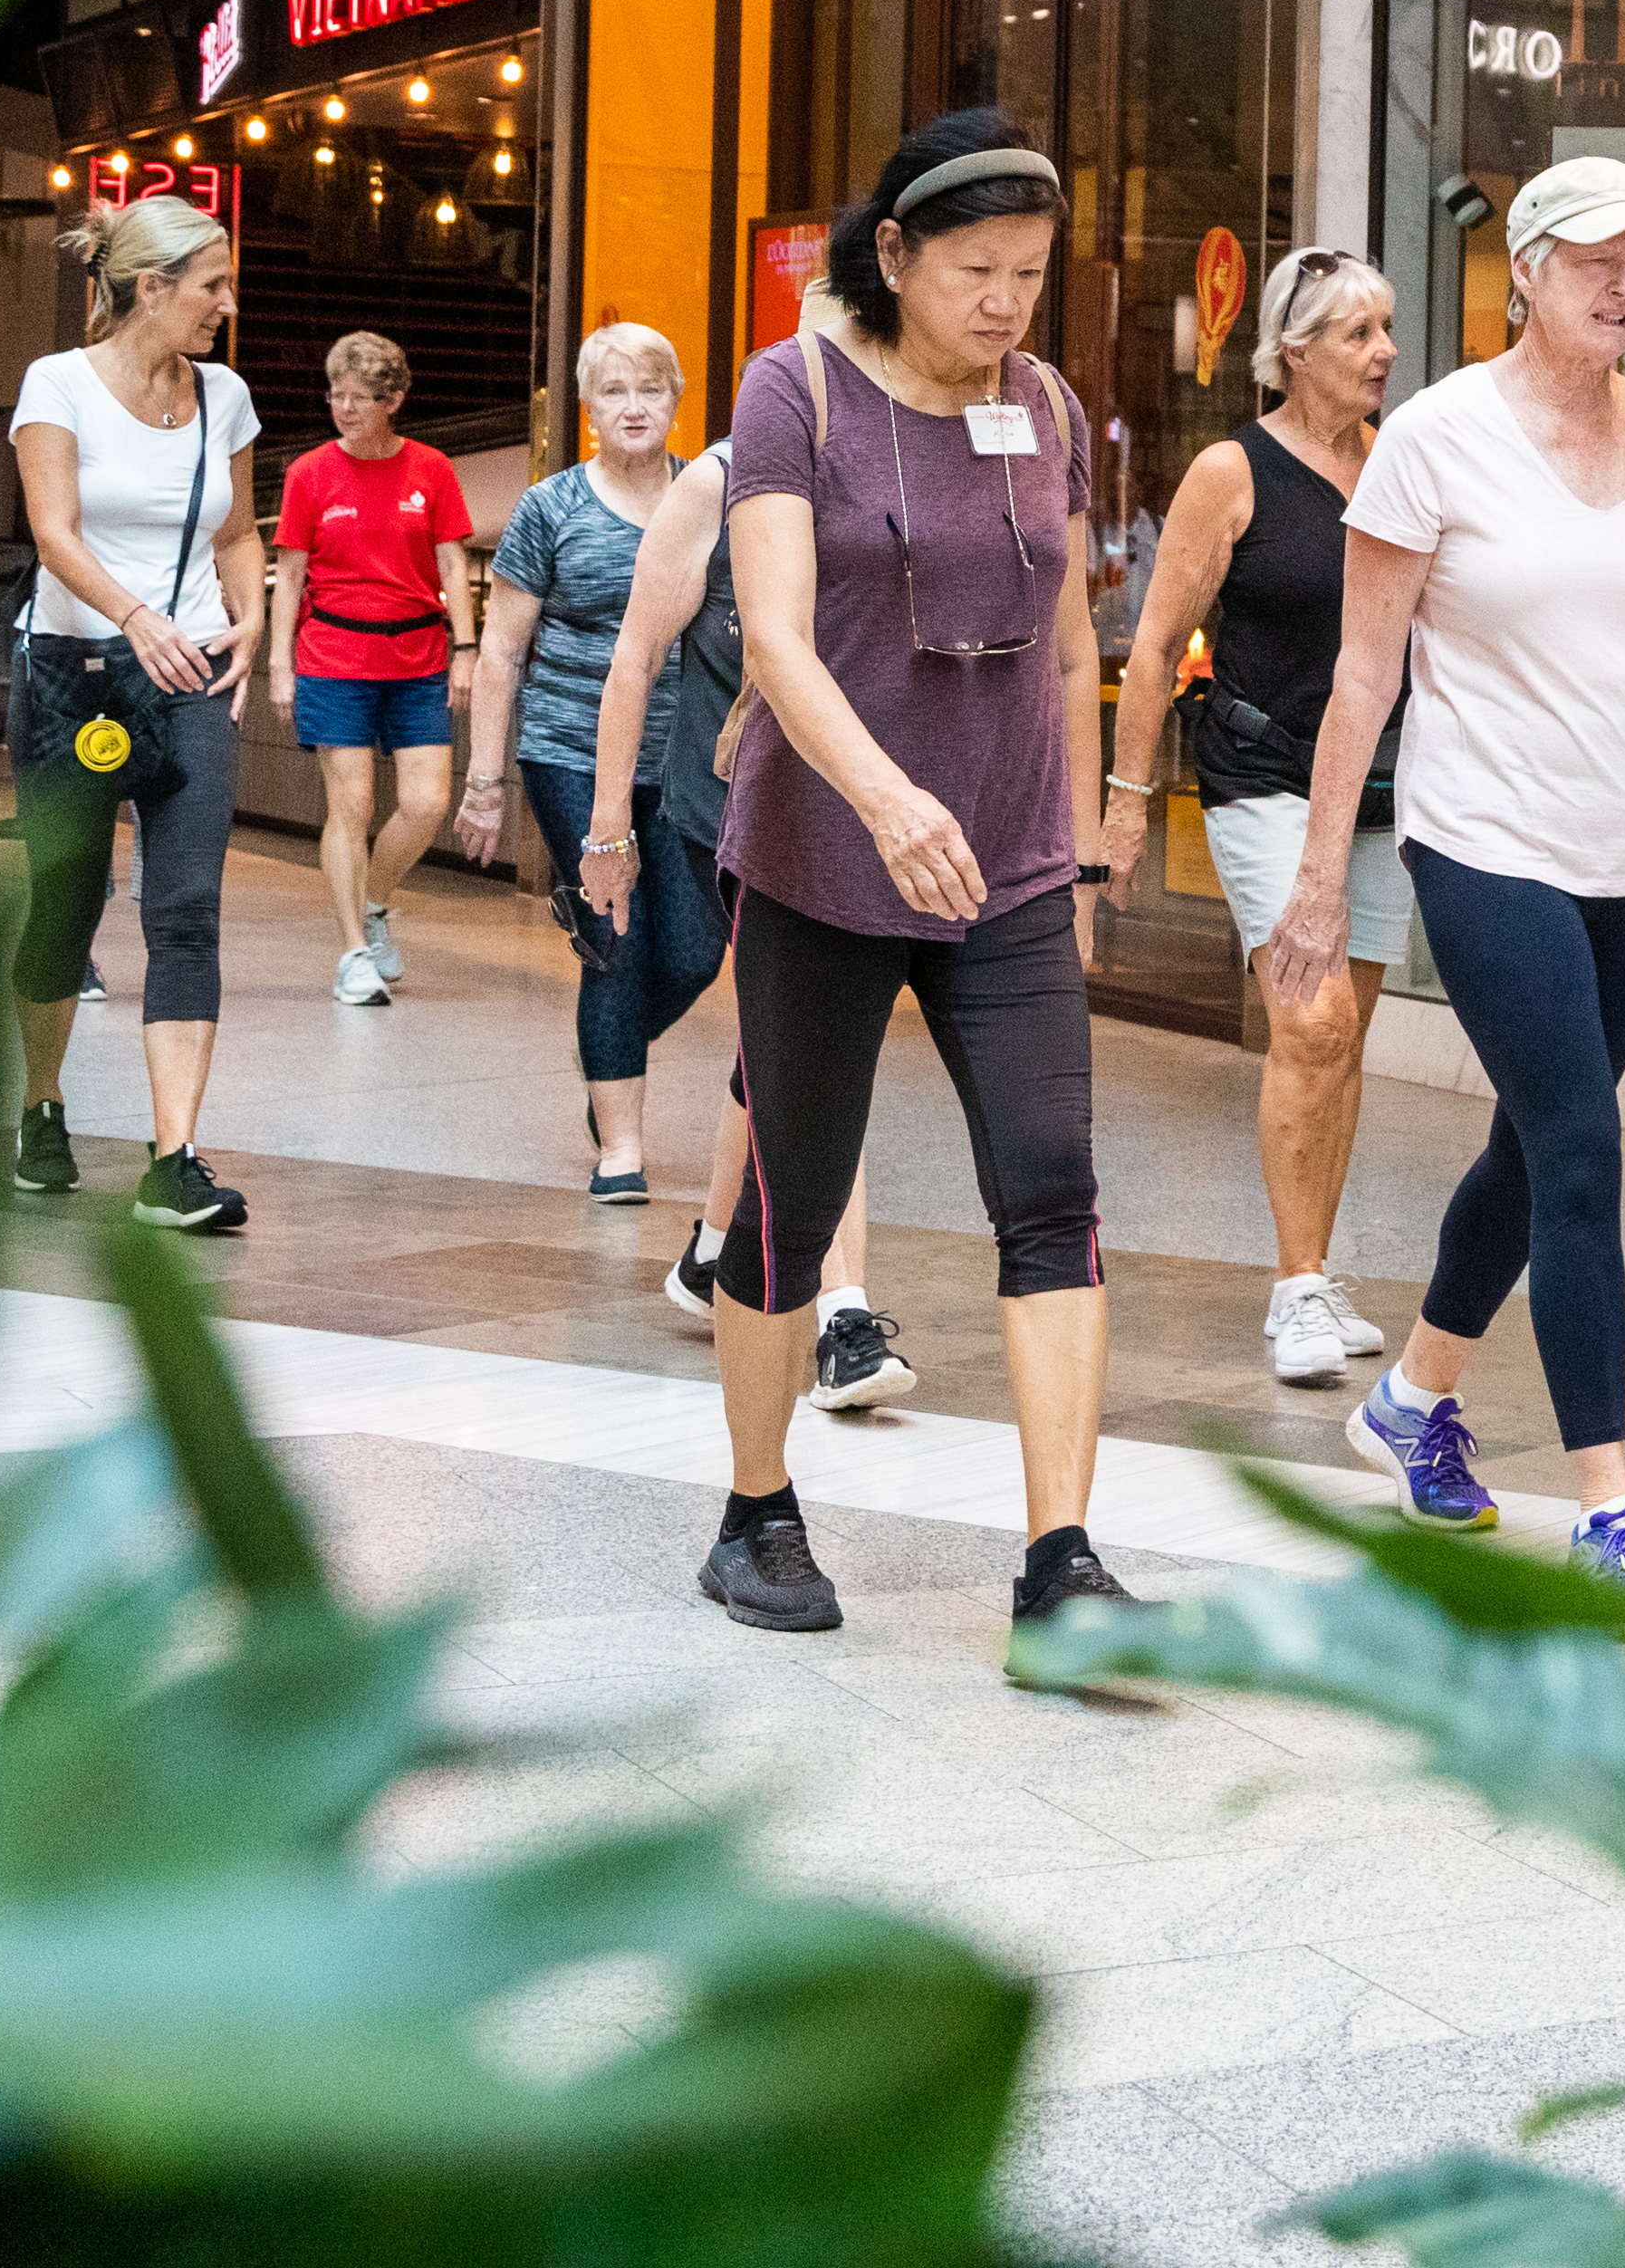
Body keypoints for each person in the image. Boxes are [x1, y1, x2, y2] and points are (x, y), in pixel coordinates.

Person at [1277, 155, 1625, 1598]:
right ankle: (1611, 1505)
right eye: (1593, 258)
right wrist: (1322, 878)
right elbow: (1362, 672)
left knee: (1530, 1147)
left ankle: (1408, 1407)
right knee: (1583, 1151)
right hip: (1486, 846)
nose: (1623, 282)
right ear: (1524, 268)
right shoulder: (1437, 438)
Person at [639, 108, 1127, 1641]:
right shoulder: (796, 390)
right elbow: (775, 634)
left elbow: (1063, 633)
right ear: (896, 254)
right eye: (977, 268)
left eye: (1031, 273)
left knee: (1053, 1186)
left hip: (1010, 863)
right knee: (789, 1197)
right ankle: (756, 1510)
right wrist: (888, 796)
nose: (1004, 301)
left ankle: (1064, 1559)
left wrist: (1085, 821)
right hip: (826, 856)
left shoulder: (1041, 401)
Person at [589, 310, 906, 1408]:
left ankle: (718, 1244)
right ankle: (847, 1316)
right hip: (729, 807)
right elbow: (633, 661)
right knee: (818, 1041)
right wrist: (605, 835)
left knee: (786, 1046)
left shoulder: (905, 469)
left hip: (853, 804)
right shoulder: (713, 486)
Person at [1106, 245, 1411, 1386]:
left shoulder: (1392, 462)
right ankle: (1294, 1290)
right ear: (1294, 351)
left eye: (1384, 330)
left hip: (1378, 787)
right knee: (1312, 1022)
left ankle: (1320, 1271)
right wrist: (1127, 806)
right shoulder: (1231, 472)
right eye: (1358, 335)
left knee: (1345, 1037)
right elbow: (1150, 645)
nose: (1384, 352)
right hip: (1263, 776)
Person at [5, 197, 268, 1234]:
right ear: (149, 288)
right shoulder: (57, 385)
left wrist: (250, 616)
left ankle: (176, 1158)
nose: (226, 306)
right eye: (212, 287)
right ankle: (41, 1104)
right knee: (65, 908)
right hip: (78, 670)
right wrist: (133, 618)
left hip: (192, 670)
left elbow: (240, 530)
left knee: (187, 910)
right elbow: (54, 532)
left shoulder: (225, 397)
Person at [457, 324, 727, 1211]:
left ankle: (606, 1052)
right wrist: (485, 783)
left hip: (682, 761)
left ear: (677, 396)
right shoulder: (552, 508)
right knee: (614, 942)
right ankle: (622, 1146)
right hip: (570, 752)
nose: (635, 405)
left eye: (652, 387)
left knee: (693, 951)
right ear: (588, 408)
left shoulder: (712, 498)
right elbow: (501, 650)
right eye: (615, 391)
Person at [269, 331, 476, 1009]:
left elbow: (452, 564)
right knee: (350, 807)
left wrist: (466, 648)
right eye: (337, 395)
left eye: (361, 398)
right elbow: (290, 576)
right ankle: (353, 950)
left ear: (395, 400)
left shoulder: (432, 470)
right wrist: (279, 664)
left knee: (425, 805)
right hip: (334, 655)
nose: (345, 408)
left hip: (418, 655)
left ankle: (377, 903)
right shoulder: (309, 473)